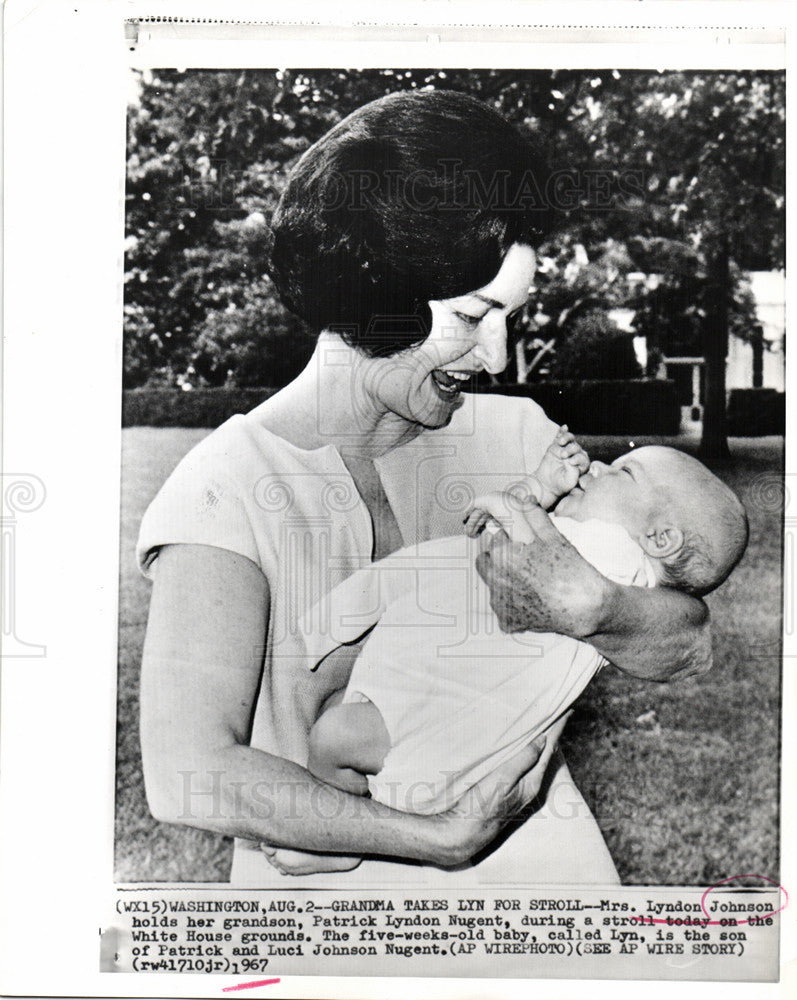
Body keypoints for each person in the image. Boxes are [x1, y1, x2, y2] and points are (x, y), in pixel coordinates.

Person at [138, 89, 713, 887]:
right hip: (335, 927)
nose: (495, 355)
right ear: (376, 289)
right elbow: (183, 771)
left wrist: (598, 608)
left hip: (546, 893)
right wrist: (433, 837)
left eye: (507, 315)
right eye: (475, 316)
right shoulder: (227, 488)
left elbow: (688, 640)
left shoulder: (517, 438)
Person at [262, 435, 746, 875]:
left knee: (336, 738)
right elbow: (526, 543)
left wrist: (523, 500)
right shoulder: (597, 548)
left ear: (660, 539)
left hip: (455, 712)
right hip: (450, 696)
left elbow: (521, 546)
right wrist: (535, 492)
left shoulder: (617, 557)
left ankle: (335, 840)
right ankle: (343, 829)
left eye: (622, 472)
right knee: (342, 735)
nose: (595, 466)